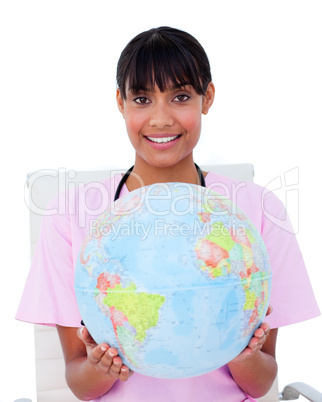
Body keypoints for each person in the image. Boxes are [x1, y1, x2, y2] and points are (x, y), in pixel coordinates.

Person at [16, 26, 320, 402]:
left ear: (207, 97)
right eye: (142, 99)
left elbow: (259, 384)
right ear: (120, 102)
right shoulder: (70, 215)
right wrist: (100, 367)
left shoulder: (256, 211)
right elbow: (79, 384)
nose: (160, 119)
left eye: (180, 96)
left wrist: (244, 353)